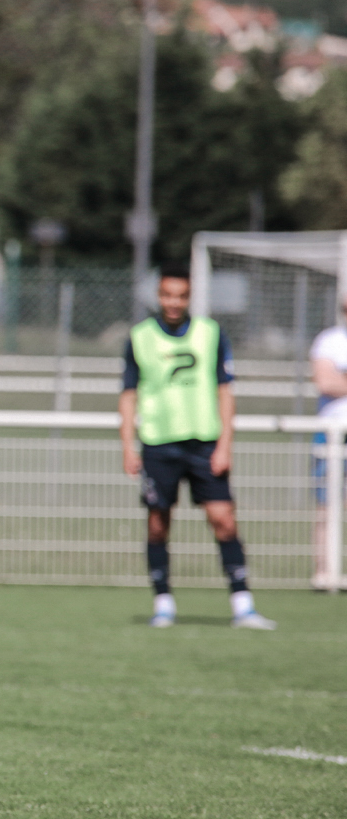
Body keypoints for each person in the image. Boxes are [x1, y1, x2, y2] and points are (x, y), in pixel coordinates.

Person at [118, 262, 275, 630]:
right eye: (167, 294)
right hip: (158, 443)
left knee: (223, 519)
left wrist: (225, 444)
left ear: (190, 297)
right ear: (158, 295)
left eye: (181, 295)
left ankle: (243, 605)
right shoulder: (140, 337)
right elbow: (128, 395)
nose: (174, 302)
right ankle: (163, 603)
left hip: (204, 443)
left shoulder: (210, 334)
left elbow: (225, 390)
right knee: (158, 524)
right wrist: (128, 445)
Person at [308, 300, 347, 589]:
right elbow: (325, 382)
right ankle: (324, 571)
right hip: (333, 430)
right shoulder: (330, 341)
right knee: (327, 502)